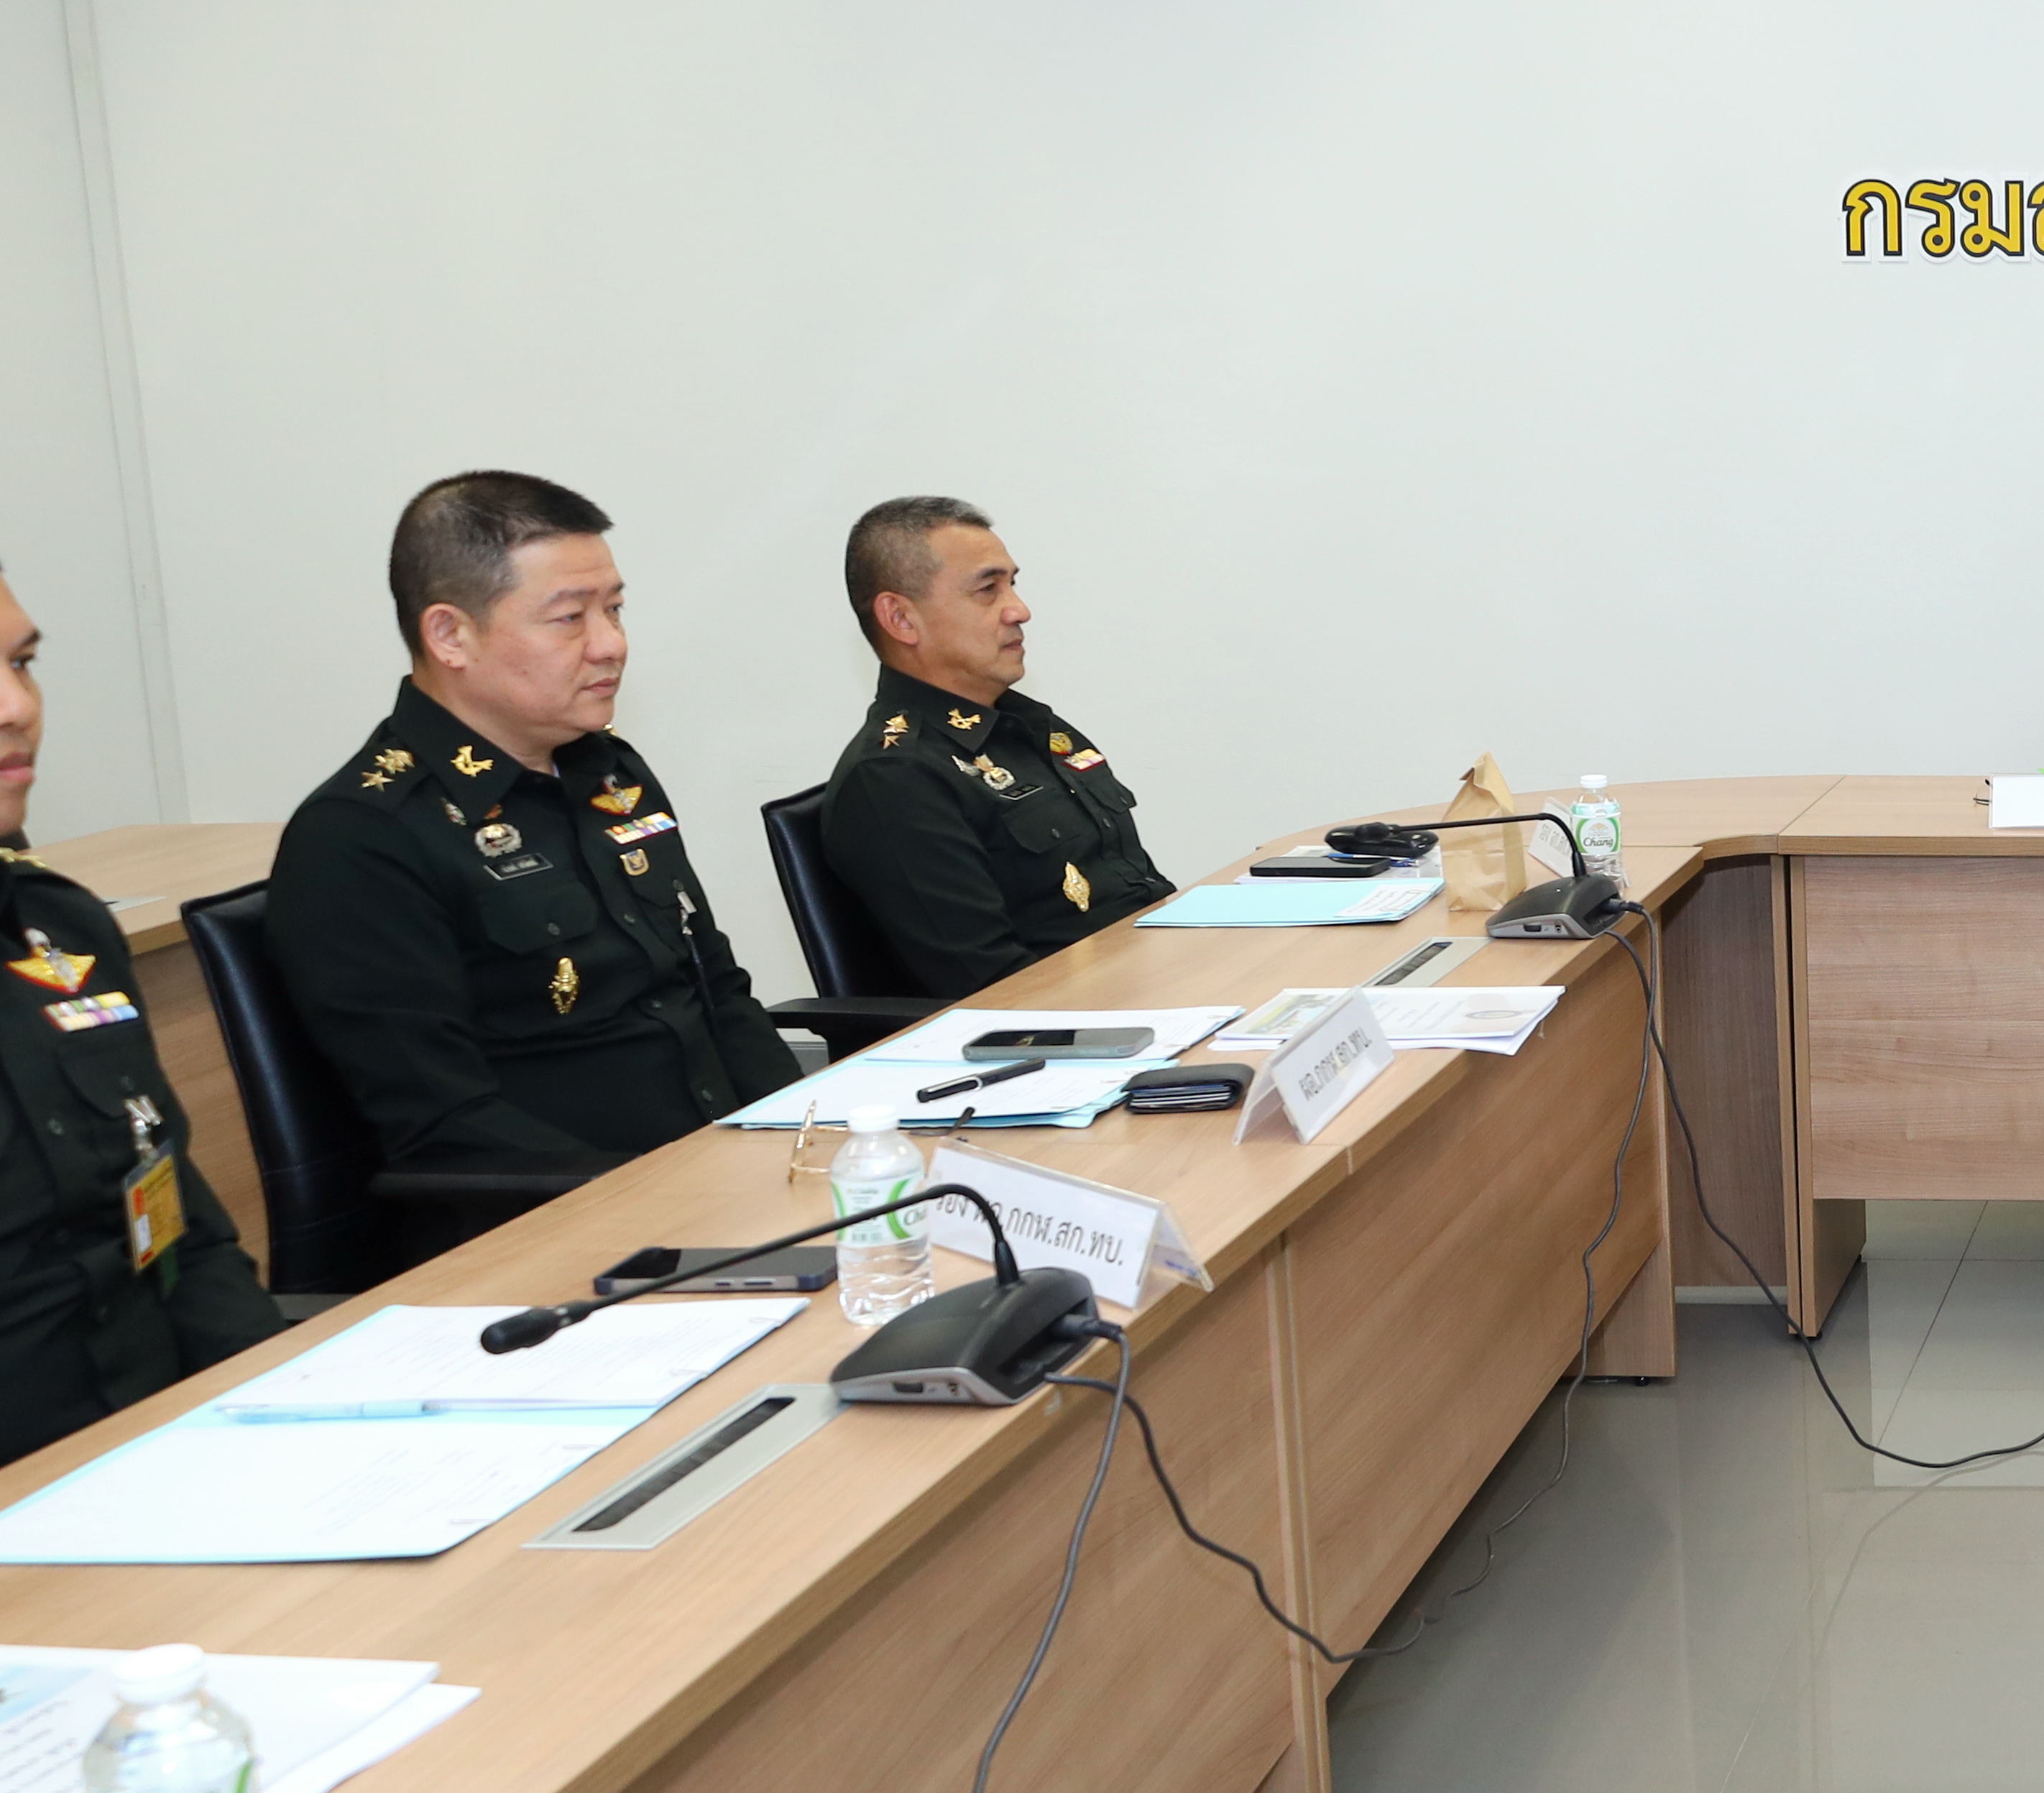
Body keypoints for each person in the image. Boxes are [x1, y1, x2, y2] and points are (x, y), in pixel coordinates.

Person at [270, 472, 798, 1174]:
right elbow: (446, 1124)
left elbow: (717, 992)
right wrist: (667, 1195)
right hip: (570, 1210)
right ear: (450, 635)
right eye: (570, 618)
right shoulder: (363, 836)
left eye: (614, 609)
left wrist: (810, 1134)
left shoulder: (611, 774)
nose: (611, 644)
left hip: (723, 1173)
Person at [0, 569, 276, 1466]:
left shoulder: (60, 928)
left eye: (22, 663)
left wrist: (281, 1394)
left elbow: (173, 1221)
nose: (17, 708)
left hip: (162, 1432)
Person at [817, 497, 1173, 990]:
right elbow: (991, 987)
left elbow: (1136, 891)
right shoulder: (897, 777)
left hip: (1156, 977)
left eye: (1013, 584)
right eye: (988, 590)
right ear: (901, 619)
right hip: (1084, 1018)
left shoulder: (1026, 725)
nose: (1019, 611)